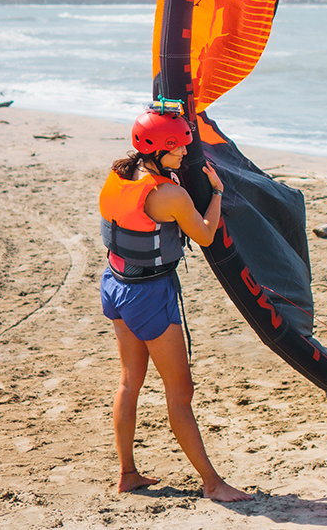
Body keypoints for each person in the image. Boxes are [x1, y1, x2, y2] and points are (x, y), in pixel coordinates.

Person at [98, 102, 251, 502]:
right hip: (149, 296)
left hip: (115, 284)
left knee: (130, 381)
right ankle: (214, 484)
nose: (184, 153)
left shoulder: (120, 173)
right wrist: (216, 192)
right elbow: (203, 235)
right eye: (178, 147)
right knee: (180, 393)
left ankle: (128, 474)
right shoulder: (168, 193)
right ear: (156, 149)